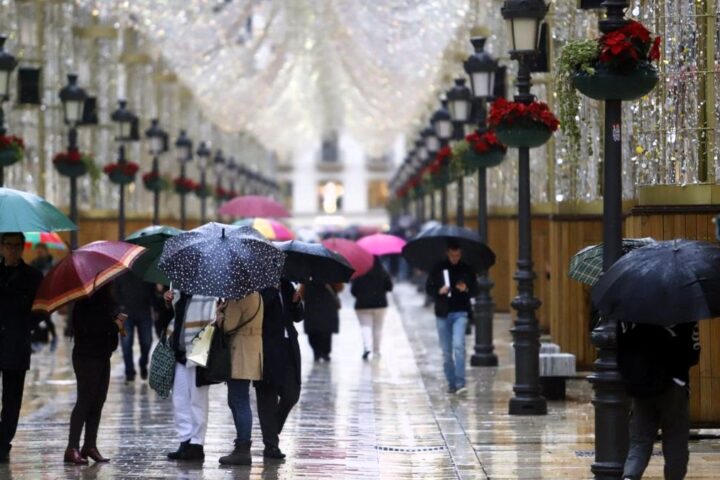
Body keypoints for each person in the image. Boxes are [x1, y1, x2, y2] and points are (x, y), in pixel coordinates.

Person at [618, 321, 701, 480]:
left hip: (642, 384)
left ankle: (629, 477)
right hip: (674, 383)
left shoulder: (631, 308)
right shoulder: (685, 309)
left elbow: (622, 346)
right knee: (675, 438)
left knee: (640, 441)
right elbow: (693, 353)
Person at [64, 283, 123, 465]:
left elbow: (106, 331)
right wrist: (115, 325)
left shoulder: (106, 300)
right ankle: (72, 447)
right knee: (85, 400)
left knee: (98, 400)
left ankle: (89, 445)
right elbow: (93, 328)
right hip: (86, 357)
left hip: (102, 355)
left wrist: (116, 321)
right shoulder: (84, 302)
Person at [0, 232, 43, 463]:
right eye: (8, 245)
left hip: (17, 344)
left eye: (17, 246)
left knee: (12, 398)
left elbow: (42, 309)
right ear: (2, 247)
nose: (13, 250)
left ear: (23, 248)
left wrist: (25, 325)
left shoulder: (33, 277)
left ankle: (3, 441)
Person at [161, 289, 216, 462]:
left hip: (199, 353)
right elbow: (172, 320)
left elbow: (212, 323)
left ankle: (197, 444)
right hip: (178, 353)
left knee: (198, 401)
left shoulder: (208, 294)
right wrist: (168, 302)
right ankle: (185, 440)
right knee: (180, 399)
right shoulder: (179, 292)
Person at [254, 280, 303, 460]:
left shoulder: (287, 286)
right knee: (267, 396)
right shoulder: (257, 286)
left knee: (292, 394)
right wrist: (271, 291)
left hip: (288, 347)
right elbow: (258, 311)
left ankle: (271, 432)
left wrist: (297, 302)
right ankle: (271, 446)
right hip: (266, 348)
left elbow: (298, 317)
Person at [217, 292, 264, 466]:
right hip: (252, 349)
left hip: (240, 352)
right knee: (237, 399)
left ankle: (243, 448)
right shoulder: (256, 294)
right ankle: (242, 446)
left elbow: (228, 326)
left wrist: (219, 313)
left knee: (239, 400)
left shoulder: (239, 296)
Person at [425, 242, 478, 395]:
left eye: (457, 255)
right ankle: (451, 382)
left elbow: (475, 289)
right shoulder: (438, 268)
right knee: (446, 352)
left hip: (461, 311)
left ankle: (460, 383)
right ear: (448, 253)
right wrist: (439, 291)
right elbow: (429, 287)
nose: (455, 258)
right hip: (443, 313)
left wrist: (466, 288)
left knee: (459, 346)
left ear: (461, 254)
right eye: (452, 255)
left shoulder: (466, 269)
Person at [114, 272, 157, 382]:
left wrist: (155, 307)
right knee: (126, 344)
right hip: (124, 314)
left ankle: (143, 363)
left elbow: (152, 291)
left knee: (147, 342)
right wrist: (117, 310)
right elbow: (115, 292)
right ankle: (129, 372)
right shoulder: (119, 272)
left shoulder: (145, 269)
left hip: (144, 311)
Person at [350, 257, 393, 360]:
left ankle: (367, 347)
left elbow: (353, 291)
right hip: (380, 304)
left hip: (362, 305)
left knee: (365, 327)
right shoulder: (383, 272)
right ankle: (376, 350)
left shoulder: (359, 273)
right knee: (378, 328)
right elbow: (390, 287)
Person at [301, 281, 343, 362]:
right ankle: (324, 353)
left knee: (313, 333)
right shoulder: (332, 274)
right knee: (326, 333)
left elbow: (301, 294)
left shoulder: (307, 276)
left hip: (312, 309)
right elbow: (340, 288)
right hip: (327, 309)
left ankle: (317, 352)